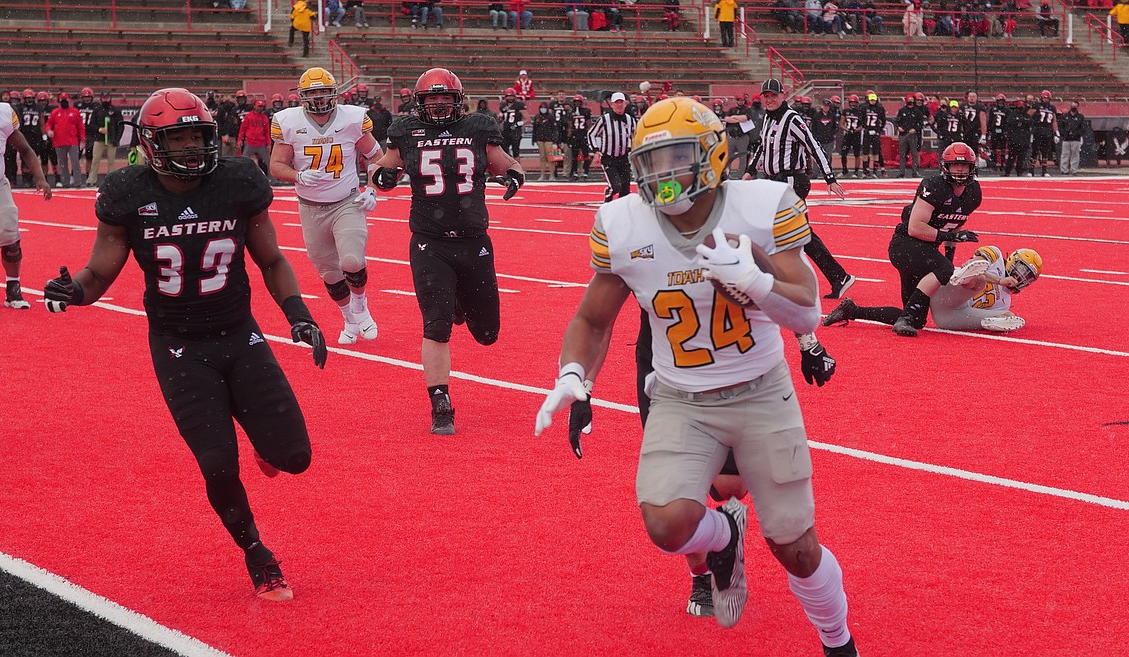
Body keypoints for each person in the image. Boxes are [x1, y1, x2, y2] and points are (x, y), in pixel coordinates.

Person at [534, 97, 857, 656]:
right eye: (652, 162)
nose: (663, 175)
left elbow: (806, 311)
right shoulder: (624, 222)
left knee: (795, 548)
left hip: (761, 390)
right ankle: (726, 535)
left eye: (677, 157)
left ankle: (838, 642)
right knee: (666, 523)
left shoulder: (761, 204)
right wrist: (572, 374)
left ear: (711, 155)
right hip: (682, 397)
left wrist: (755, 282)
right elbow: (592, 318)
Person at [42, 87, 326, 601]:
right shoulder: (128, 192)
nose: (193, 148)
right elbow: (102, 268)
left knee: (296, 457)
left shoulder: (238, 179)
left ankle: (264, 443)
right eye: (180, 139)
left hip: (240, 333)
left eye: (198, 136)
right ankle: (257, 553)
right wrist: (75, 290)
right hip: (178, 345)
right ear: (152, 144)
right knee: (217, 461)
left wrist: (298, 315)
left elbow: (272, 259)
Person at [368, 68, 525, 434]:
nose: (439, 104)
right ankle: (441, 402)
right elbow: (380, 170)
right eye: (431, 99)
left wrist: (515, 175)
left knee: (487, 334)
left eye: (444, 98)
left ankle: (459, 304)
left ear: (458, 100)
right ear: (419, 103)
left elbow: (507, 164)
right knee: (436, 325)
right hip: (429, 241)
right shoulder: (406, 131)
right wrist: (383, 177)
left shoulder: (478, 128)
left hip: (473, 241)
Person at [270, 67, 382, 345]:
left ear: (334, 93)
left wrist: (373, 188)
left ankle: (360, 305)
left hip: (347, 201)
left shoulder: (352, 118)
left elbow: (376, 155)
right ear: (302, 96)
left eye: (323, 91)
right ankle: (349, 317)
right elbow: (276, 165)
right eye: (313, 92)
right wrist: (298, 175)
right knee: (330, 273)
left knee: (352, 261)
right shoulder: (287, 121)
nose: (319, 97)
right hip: (310, 207)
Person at [829, 142, 982, 336]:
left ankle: (853, 310)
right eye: (954, 165)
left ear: (972, 168)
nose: (960, 170)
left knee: (916, 319)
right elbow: (915, 228)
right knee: (941, 271)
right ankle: (905, 318)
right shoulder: (934, 186)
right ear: (946, 167)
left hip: (927, 250)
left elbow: (955, 223)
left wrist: (949, 257)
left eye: (964, 166)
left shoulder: (974, 193)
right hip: (906, 245)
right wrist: (947, 258)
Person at [746, 78, 855, 300]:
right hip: (774, 182)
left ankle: (781, 279)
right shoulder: (768, 117)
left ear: (783, 95)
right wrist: (749, 171)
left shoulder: (792, 118)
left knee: (786, 232)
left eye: (773, 95)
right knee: (797, 234)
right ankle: (837, 277)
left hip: (791, 182)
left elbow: (814, 146)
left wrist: (830, 178)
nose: (769, 99)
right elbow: (762, 148)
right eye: (765, 96)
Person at [825, 245, 1041, 332]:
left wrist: (1002, 315)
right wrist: (999, 280)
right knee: (977, 279)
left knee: (910, 319)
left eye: (1027, 277)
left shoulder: (1005, 301)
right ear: (1013, 260)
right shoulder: (994, 256)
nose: (1021, 278)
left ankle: (853, 310)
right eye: (1022, 270)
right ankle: (965, 283)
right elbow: (972, 265)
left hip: (949, 314)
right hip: (946, 289)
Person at [0, 76, 52, 308]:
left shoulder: (2, 115)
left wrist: (41, 178)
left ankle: (13, 286)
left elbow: (25, 149)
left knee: (10, 236)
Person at [589, 92, 639, 203]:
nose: (619, 105)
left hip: (624, 158)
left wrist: (635, 149)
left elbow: (636, 135)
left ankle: (620, 211)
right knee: (616, 186)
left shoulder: (630, 120)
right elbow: (591, 134)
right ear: (612, 105)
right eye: (617, 103)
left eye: (621, 102)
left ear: (625, 104)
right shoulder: (604, 120)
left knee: (626, 190)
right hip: (609, 158)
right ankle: (608, 197)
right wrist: (596, 150)